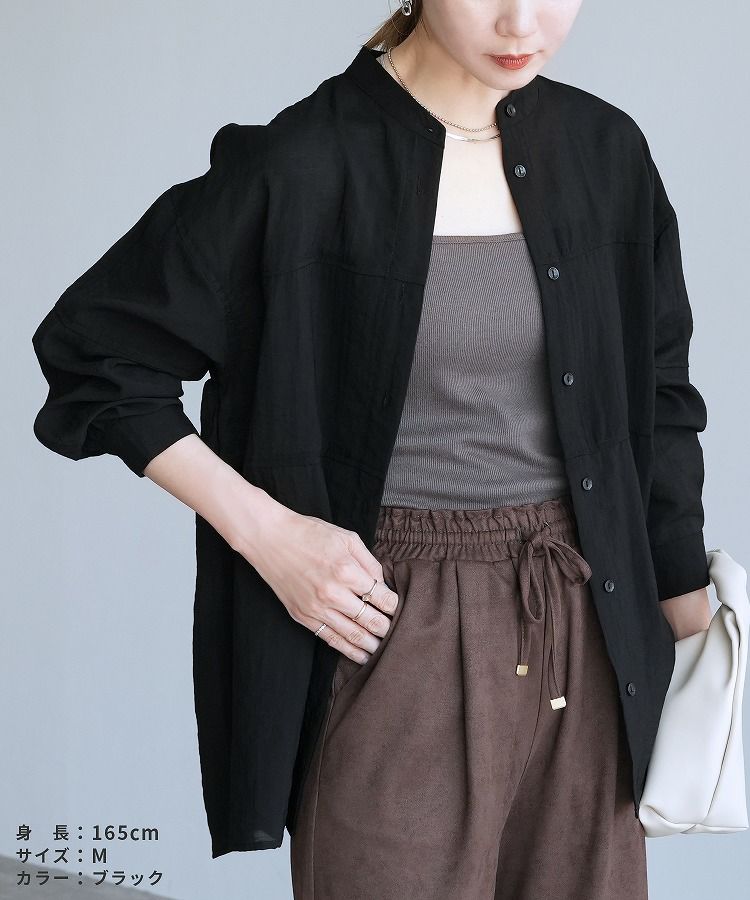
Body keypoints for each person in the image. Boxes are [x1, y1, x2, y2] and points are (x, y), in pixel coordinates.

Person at [31, 1, 714, 896]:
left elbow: (659, 394)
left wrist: (696, 631)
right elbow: (96, 355)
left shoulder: (607, 151)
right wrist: (271, 536)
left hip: (588, 618)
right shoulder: (301, 164)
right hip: (393, 625)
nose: (523, 22)